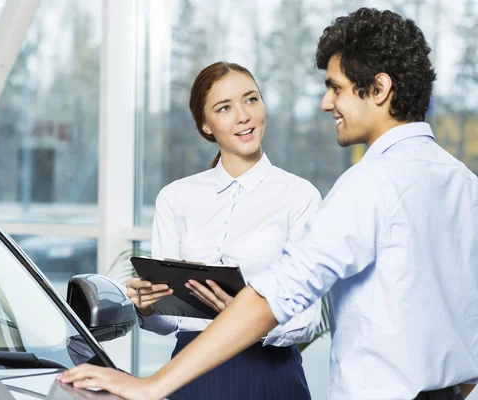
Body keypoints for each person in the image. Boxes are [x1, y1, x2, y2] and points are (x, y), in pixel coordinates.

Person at [57, 8, 478, 400]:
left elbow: (273, 299)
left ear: (380, 88)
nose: (326, 102)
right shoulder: (463, 182)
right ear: (206, 124)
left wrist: (150, 387)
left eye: (336, 88)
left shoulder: (369, 183)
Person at [127, 61, 321, 399]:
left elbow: (310, 319)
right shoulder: (175, 198)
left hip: (269, 375)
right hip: (190, 374)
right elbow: (170, 320)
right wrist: (146, 308)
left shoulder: (299, 196)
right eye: (224, 108)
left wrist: (244, 316)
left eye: (251, 100)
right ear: (205, 125)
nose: (243, 116)